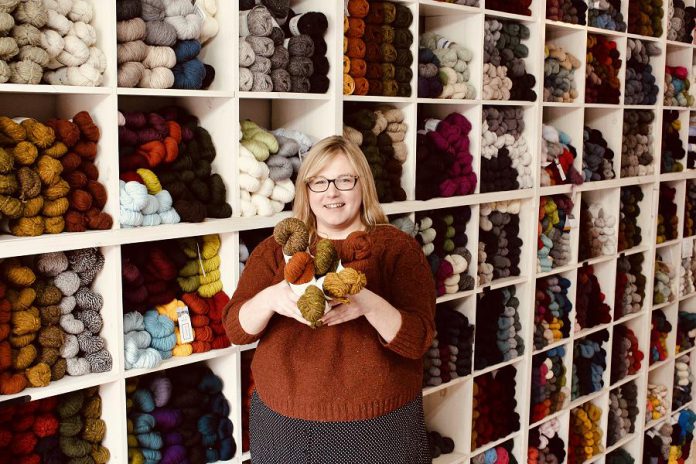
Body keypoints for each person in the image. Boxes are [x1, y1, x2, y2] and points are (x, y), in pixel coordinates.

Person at [223, 135, 436, 463]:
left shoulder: (397, 249)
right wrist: (271, 297)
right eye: (319, 182)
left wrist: (366, 302)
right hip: (285, 422)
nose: (331, 192)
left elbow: (418, 339)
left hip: (380, 424)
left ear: (362, 185)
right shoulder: (276, 250)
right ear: (306, 190)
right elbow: (236, 330)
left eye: (344, 180)